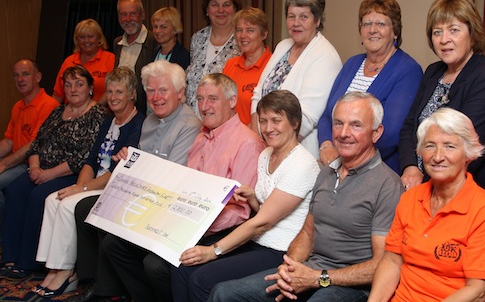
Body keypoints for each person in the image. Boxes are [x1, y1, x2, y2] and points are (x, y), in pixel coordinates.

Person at [210, 92, 403, 302]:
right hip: (311, 270)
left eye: (356, 125)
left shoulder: (388, 185)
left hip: (352, 285)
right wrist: (289, 267)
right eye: (338, 123)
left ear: (376, 133)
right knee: (224, 293)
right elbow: (308, 233)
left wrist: (319, 278)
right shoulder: (327, 173)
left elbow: (382, 263)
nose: (344, 133)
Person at [99, 73, 264, 302]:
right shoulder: (201, 138)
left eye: (212, 99)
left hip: (218, 230)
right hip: (183, 219)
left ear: (233, 101)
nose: (204, 107)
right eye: (200, 99)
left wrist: (193, 227)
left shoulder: (247, 143)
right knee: (114, 244)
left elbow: (240, 212)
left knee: (155, 264)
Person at [67, 60, 201, 302]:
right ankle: (98, 284)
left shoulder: (189, 125)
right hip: (144, 192)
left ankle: (110, 291)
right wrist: (128, 159)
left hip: (166, 203)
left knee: (109, 229)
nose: (156, 97)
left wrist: (138, 165)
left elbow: (172, 176)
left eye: (163, 90)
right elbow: (141, 162)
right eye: (150, 90)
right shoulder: (150, 121)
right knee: (88, 208)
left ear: (180, 93)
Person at [171, 90, 319, 301]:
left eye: (276, 121)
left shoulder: (301, 164)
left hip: (278, 251)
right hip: (256, 241)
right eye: (264, 121)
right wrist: (252, 198)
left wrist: (213, 251)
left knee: (201, 279)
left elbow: (262, 222)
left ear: (294, 123)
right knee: (182, 268)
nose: (268, 128)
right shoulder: (267, 154)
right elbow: (265, 211)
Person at [369, 108, 485, 302]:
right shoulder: (411, 198)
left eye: (450, 146)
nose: (437, 156)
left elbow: (477, 290)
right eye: (430, 146)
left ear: (468, 154)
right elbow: (392, 260)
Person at [33, 67, 145, 298]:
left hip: (113, 186)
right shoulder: (108, 121)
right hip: (94, 182)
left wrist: (81, 188)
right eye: (110, 91)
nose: (113, 97)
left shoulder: (137, 124)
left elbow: (116, 172)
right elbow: (91, 160)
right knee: (52, 199)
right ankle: (53, 268)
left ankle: (67, 272)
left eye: (119, 92)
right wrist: (78, 187)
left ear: (132, 94)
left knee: (66, 205)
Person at [0, 65, 109, 280]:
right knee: (14, 191)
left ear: (89, 88)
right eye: (67, 85)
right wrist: (35, 167)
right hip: (40, 169)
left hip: (68, 173)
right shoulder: (58, 111)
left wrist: (49, 174)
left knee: (37, 197)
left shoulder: (98, 114)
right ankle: (10, 257)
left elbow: (85, 155)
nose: (73, 89)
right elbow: (37, 143)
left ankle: (29, 262)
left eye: (79, 84)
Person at [399, 0, 485, 191]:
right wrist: (411, 167)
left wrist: (427, 184)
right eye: (437, 32)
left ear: (472, 33)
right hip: (417, 182)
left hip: (459, 189)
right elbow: (409, 125)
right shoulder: (432, 72)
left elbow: (467, 148)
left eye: (454, 30)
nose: (444, 39)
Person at [318, 0, 422, 173]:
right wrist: (327, 145)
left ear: (395, 31)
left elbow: (390, 132)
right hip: (336, 164)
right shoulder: (352, 64)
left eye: (381, 24)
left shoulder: (408, 70)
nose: (372, 30)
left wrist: (345, 154)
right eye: (367, 24)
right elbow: (328, 115)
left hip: (375, 171)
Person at [251, 0, 342, 157]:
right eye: (291, 16)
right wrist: (257, 137)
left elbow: (305, 119)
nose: (296, 23)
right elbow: (258, 92)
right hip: (267, 144)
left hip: (296, 152)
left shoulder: (325, 56)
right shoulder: (283, 46)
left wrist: (271, 145)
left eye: (304, 17)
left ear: (317, 20)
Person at [0, 59, 59, 249]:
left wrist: (4, 164)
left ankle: (6, 240)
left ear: (38, 77)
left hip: (33, 164)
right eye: (16, 75)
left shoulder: (47, 105)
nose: (20, 79)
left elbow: (33, 146)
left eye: (25, 74)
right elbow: (8, 142)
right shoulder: (18, 106)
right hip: (17, 162)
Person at [184, 0, 242, 114]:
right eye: (215, 5)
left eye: (226, 5)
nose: (221, 10)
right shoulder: (198, 38)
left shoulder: (242, 41)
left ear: (235, 9)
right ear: (207, 10)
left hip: (224, 120)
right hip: (192, 120)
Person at [223, 7, 273, 125]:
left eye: (250, 30)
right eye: (239, 30)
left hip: (254, 138)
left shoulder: (273, 67)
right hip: (227, 136)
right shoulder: (230, 64)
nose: (243, 36)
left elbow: (269, 115)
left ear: (264, 34)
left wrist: (240, 138)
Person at [52, 19, 115, 106]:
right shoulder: (69, 61)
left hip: (99, 113)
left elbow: (112, 90)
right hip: (70, 113)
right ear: (77, 40)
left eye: (90, 36)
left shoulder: (110, 59)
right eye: (82, 37)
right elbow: (58, 95)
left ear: (99, 38)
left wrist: (91, 111)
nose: (86, 41)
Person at [113, 0, 158, 115]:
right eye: (123, 14)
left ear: (142, 14)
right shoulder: (117, 43)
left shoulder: (154, 41)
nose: (128, 19)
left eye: (133, 13)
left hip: (146, 115)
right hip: (121, 113)